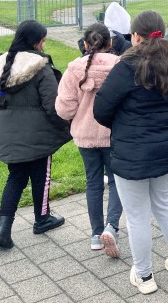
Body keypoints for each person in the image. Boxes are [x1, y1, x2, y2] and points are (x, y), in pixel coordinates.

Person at [94, 11, 168, 295]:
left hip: (131, 152)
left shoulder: (127, 66)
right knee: (164, 205)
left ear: (135, 36)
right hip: (162, 146)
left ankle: (144, 275)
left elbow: (101, 109)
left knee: (138, 215)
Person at [0, 20, 71, 249]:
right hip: (40, 134)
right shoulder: (40, 67)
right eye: (43, 40)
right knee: (41, 176)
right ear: (36, 42)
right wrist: (66, 127)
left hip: (9, 133)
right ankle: (42, 219)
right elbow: (53, 106)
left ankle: (3, 229)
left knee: (15, 178)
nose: (44, 45)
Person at [56, 23, 123, 256]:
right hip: (114, 133)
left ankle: (96, 234)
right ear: (110, 43)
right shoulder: (120, 65)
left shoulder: (74, 69)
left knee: (93, 182)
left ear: (85, 45)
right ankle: (111, 226)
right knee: (116, 181)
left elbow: (64, 108)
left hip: (85, 135)